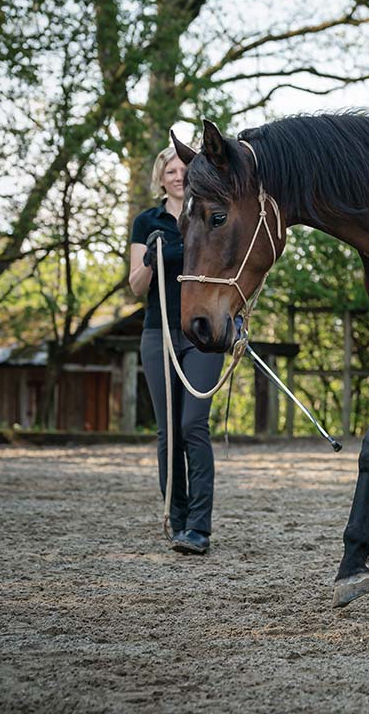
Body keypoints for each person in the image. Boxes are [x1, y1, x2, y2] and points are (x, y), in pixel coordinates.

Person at [129, 143, 225, 554]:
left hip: (202, 335)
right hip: (159, 332)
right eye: (171, 170)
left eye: (185, 170)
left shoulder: (209, 215)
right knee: (168, 432)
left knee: (193, 426)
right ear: (160, 177)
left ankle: (200, 528)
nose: (178, 176)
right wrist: (151, 259)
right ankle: (179, 518)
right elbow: (135, 288)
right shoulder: (145, 222)